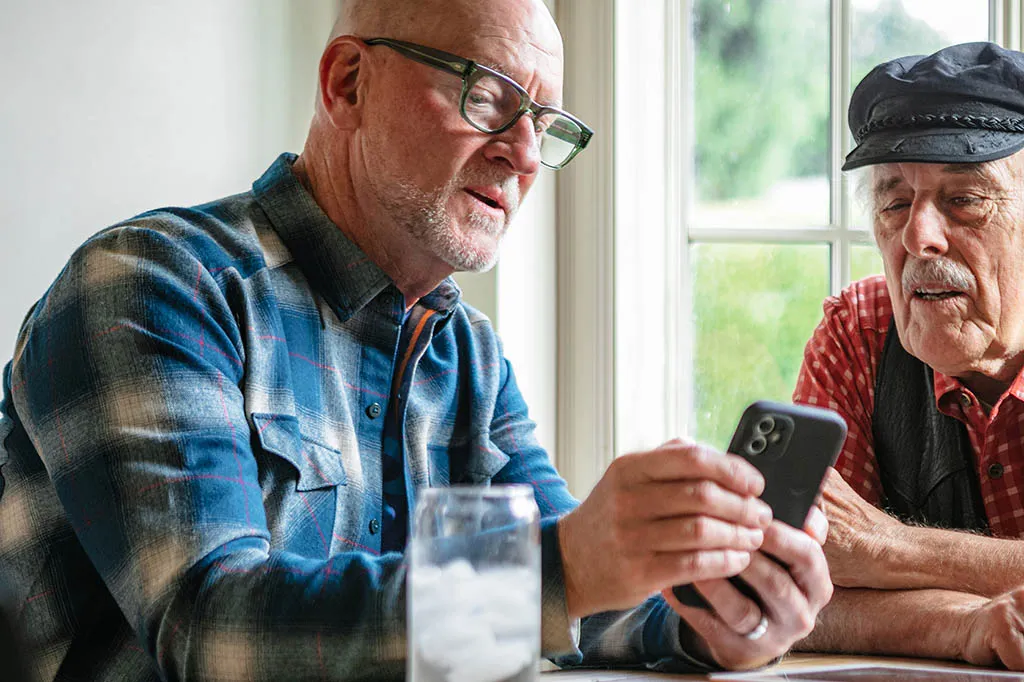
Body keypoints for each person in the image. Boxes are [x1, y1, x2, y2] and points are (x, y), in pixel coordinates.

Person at [0, 0, 831, 679]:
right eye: (490, 97)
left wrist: (708, 622)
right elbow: (211, 631)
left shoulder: (466, 352)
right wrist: (568, 565)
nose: (527, 156)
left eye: (545, 123)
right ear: (348, 84)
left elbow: (580, 597)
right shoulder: (154, 287)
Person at [793, 41, 1024, 671]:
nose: (918, 237)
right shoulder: (858, 334)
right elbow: (788, 593)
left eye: (964, 199)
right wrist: (964, 625)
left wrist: (893, 550)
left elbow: (856, 556)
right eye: (895, 203)